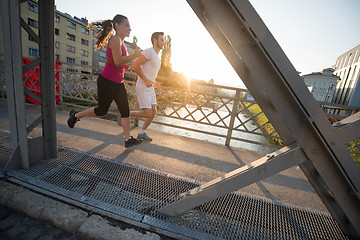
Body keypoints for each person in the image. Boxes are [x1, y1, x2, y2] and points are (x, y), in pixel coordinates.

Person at [67, 14, 143, 148]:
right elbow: (118, 60)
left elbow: (118, 63)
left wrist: (127, 64)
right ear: (117, 26)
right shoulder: (115, 40)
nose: (130, 29)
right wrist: (133, 56)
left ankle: (128, 139)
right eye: (127, 25)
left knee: (125, 111)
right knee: (102, 110)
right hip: (107, 81)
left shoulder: (122, 43)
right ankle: (75, 115)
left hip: (118, 83)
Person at [125, 32, 164, 141]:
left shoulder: (157, 57)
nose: (163, 42)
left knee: (154, 111)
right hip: (143, 86)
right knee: (147, 113)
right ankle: (124, 114)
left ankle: (142, 132)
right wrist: (146, 80)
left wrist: (154, 82)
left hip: (150, 87)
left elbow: (149, 72)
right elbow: (135, 64)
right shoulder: (149, 52)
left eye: (164, 40)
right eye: (161, 40)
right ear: (155, 41)